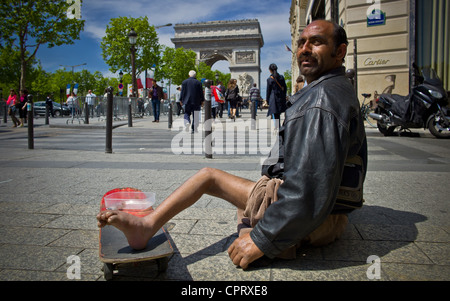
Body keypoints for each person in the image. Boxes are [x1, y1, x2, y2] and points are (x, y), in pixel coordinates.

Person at [97, 19, 367, 270]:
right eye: (301, 43)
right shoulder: (333, 89)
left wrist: (260, 240)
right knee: (243, 198)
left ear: (339, 51)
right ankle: (256, 227)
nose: (305, 49)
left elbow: (308, 190)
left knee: (209, 176)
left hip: (317, 217)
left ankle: (146, 227)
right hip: (330, 213)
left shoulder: (320, 102)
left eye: (316, 42)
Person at [266, 63, 287, 130]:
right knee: (279, 111)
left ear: (270, 70)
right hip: (281, 96)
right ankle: (279, 125)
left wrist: (267, 100)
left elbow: (268, 90)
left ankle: (277, 126)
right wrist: (283, 95)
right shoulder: (281, 77)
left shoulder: (269, 79)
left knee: (275, 112)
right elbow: (285, 88)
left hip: (273, 97)